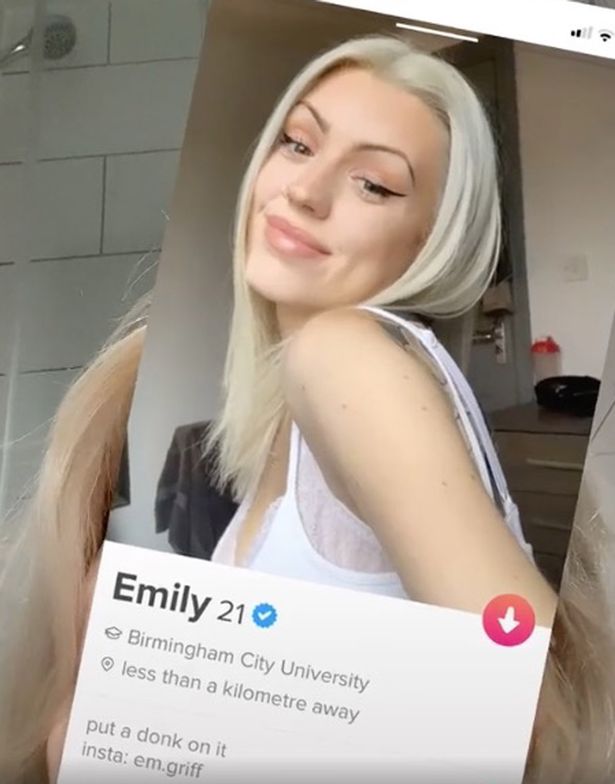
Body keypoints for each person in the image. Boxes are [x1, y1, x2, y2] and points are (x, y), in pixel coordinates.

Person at [0, 35, 613, 784]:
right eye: (297, 144)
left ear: (429, 242)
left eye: (373, 185)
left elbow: (533, 701)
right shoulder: (301, 394)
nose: (305, 191)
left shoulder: (342, 354)